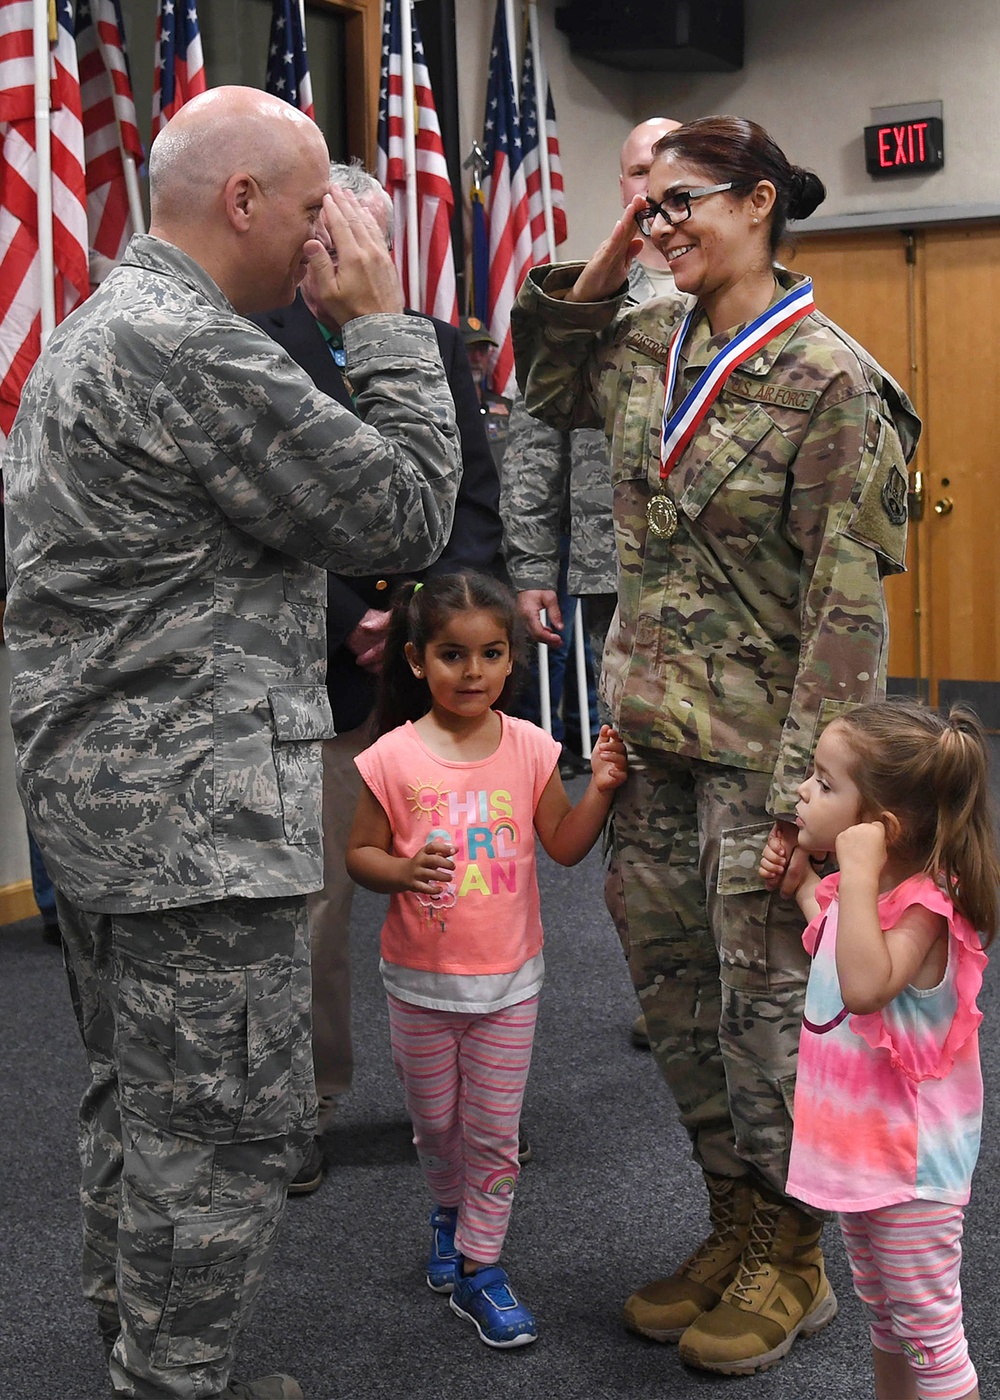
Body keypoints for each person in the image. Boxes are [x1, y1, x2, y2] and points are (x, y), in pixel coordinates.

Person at [2, 87, 461, 1400]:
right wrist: (381, 325)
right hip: (193, 829)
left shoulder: (103, 327)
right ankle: (175, 1383)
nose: (333, 240)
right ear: (246, 201)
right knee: (222, 1134)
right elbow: (409, 511)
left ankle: (158, 1370)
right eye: (318, 212)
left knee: (143, 1111)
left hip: (106, 817)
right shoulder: (193, 349)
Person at [511, 115, 921, 1374]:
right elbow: (541, 379)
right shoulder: (644, 338)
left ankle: (792, 1259)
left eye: (684, 202)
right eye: (651, 205)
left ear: (758, 203)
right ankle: (730, 1221)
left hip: (761, 758)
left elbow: (847, 616)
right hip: (648, 742)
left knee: (764, 1024)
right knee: (680, 1008)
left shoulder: (833, 380)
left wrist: (815, 804)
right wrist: (623, 242)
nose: (659, 224)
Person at [251, 161, 504, 1194]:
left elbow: (472, 500)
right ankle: (307, 1104)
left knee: (468, 888)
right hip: (326, 682)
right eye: (345, 232)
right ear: (312, 238)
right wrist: (346, 616)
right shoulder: (255, 350)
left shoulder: (436, 346)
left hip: (431, 681)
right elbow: (258, 517)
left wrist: (416, 619)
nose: (363, 254)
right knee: (315, 908)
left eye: (378, 236)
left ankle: (469, 1106)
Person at [345, 571, 627, 1348]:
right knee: (437, 1127)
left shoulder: (532, 747)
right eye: (451, 655)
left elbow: (564, 849)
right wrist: (400, 871)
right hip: (418, 984)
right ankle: (448, 1211)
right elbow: (359, 854)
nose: (472, 673)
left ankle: (482, 1267)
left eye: (491, 654)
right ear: (415, 660)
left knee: (494, 1133)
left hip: (509, 985)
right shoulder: (393, 757)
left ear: (512, 662)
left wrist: (598, 789)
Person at [501, 117, 687, 1047]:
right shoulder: (585, 296)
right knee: (634, 772)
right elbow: (534, 431)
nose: (655, 187)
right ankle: (663, 980)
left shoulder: (717, 281)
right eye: (640, 169)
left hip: (709, 574)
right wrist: (532, 565)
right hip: (614, 566)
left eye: (674, 169)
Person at [759, 700, 999, 1400]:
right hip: (860, 1160)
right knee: (888, 1323)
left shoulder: (926, 909)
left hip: (909, 1172)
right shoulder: (869, 898)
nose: (804, 790)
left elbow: (864, 987)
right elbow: (839, 942)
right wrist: (807, 886)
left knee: (930, 1336)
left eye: (826, 783)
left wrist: (854, 874)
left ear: (879, 831)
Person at [460, 315, 512, 469]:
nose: (476, 358)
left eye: (482, 350)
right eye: (468, 349)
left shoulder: (506, 407)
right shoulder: (443, 410)